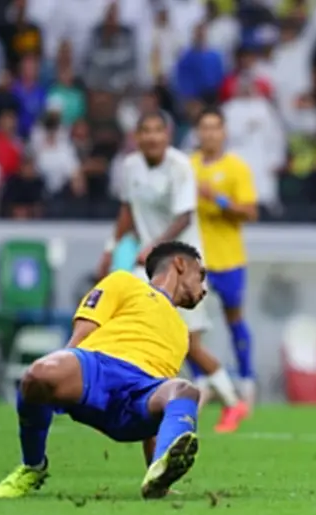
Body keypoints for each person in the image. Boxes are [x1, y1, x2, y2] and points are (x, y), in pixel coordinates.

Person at [0, 242, 206, 499]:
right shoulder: (124, 282)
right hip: (97, 370)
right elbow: (82, 332)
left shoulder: (182, 334)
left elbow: (160, 400)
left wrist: (153, 471)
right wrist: (59, 376)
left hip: (139, 394)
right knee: (38, 374)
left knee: (184, 390)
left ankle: (161, 469)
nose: (203, 289)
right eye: (200, 275)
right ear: (181, 264)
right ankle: (33, 466)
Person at [96, 111, 246, 433]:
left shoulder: (180, 167)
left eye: (157, 131)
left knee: (190, 345)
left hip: (183, 265)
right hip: (149, 266)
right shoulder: (130, 166)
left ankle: (233, 403)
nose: (151, 137)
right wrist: (111, 247)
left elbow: (185, 217)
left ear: (168, 135)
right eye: (145, 131)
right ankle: (145, 397)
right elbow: (126, 209)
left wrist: (153, 245)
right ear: (136, 137)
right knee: (143, 332)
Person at [191, 107, 258, 414]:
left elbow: (250, 212)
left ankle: (246, 381)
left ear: (224, 132)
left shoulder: (236, 168)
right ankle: (200, 382)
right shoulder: (186, 166)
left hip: (229, 258)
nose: (209, 134)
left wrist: (216, 198)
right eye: (204, 128)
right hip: (194, 261)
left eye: (215, 128)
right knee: (190, 328)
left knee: (234, 321)